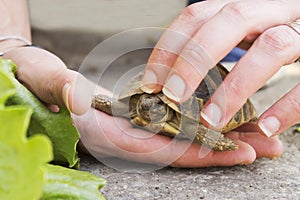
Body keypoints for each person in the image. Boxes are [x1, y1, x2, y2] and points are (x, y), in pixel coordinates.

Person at [2, 0, 298, 168]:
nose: (143, 108)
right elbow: (115, 105)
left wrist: (219, 140)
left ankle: (239, 48)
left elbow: (201, 130)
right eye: (144, 104)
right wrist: (9, 44)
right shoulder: (140, 104)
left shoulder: (187, 121)